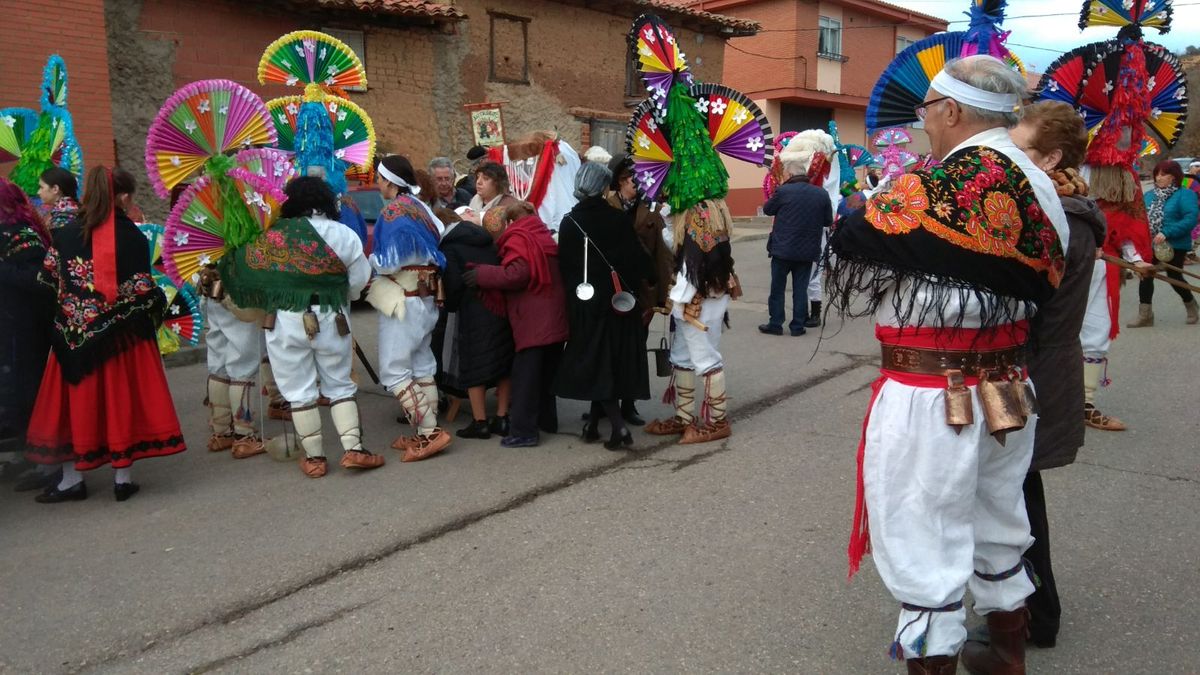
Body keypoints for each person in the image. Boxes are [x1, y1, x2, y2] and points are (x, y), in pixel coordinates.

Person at [828, 55, 1068, 674]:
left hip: (930, 392)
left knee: (921, 535)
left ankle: (938, 658)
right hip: (1011, 387)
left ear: (953, 111)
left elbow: (852, 245)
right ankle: (1007, 658)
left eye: (928, 110)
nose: (924, 122)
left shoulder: (927, 186)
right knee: (1000, 517)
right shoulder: (1041, 182)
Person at [1006, 99, 1106, 649]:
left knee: (1018, 505)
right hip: (1038, 366)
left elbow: (1027, 304)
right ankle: (1027, 613)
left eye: (1021, 150)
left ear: (1052, 158)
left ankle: (1033, 617)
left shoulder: (1060, 218)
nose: (1010, 158)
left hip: (1036, 372)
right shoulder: (1057, 209)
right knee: (1019, 497)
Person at [25, 167, 186, 502]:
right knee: (119, 400)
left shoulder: (67, 233)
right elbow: (143, 290)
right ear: (124, 197)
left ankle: (71, 480)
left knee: (72, 405)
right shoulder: (134, 237)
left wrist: (75, 308)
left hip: (73, 336)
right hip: (120, 339)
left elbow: (46, 280)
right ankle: (122, 479)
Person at [223, 177, 378, 478]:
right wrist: (344, 294)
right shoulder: (343, 233)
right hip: (332, 317)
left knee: (298, 389)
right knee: (339, 384)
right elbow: (359, 280)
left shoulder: (270, 236)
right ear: (324, 201)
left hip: (284, 320)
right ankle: (354, 448)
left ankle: (315, 457)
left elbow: (251, 273)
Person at [556, 162, 653, 450]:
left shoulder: (569, 223)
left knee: (596, 362)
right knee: (609, 362)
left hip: (586, 305)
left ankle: (612, 427)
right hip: (619, 302)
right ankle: (601, 425)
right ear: (602, 187)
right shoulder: (618, 218)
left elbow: (566, 268)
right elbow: (638, 261)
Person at [366, 154, 452, 461]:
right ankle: (425, 430)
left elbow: (389, 261)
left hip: (404, 299)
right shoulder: (420, 207)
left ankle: (429, 433)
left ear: (390, 181)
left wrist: (371, 263)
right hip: (427, 297)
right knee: (421, 364)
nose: (377, 183)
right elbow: (440, 233)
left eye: (379, 178)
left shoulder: (393, 213)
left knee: (394, 369)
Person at [470, 202, 568, 447]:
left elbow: (517, 274)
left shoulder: (518, 238)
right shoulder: (542, 233)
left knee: (526, 378)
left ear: (508, 223)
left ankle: (524, 432)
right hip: (555, 315)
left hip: (533, 318)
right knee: (547, 374)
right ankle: (548, 421)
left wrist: (482, 274)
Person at [438, 206, 515, 439]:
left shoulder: (450, 247)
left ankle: (479, 422)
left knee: (473, 364)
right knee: (503, 362)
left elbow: (453, 285)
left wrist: (448, 305)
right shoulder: (485, 239)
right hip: (500, 304)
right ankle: (502, 418)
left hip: (473, 308)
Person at [605, 154, 671, 425]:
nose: (639, 183)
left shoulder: (652, 211)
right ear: (621, 181)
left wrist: (663, 294)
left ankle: (629, 404)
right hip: (611, 289)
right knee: (609, 350)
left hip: (642, 291)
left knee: (635, 350)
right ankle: (604, 404)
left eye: (642, 178)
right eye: (634, 178)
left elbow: (661, 256)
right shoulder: (606, 206)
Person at [0, 179, 56, 489]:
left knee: (30, 393)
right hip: (12, 328)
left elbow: (37, 280)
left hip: (27, 330)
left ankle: (47, 463)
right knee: (18, 395)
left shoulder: (24, 237)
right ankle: (29, 455)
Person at [759, 131, 834, 336]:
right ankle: (797, 326)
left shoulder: (783, 192)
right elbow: (828, 221)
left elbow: (767, 210)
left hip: (782, 249)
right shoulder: (821, 194)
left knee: (778, 288)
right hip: (807, 250)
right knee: (800, 289)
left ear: (790, 175)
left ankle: (776, 324)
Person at [1135, 161, 1198, 325]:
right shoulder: (1150, 195)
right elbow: (1139, 217)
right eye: (1157, 173)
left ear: (1174, 176)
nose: (1158, 177)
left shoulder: (1185, 195)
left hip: (1175, 244)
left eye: (1163, 174)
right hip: (1150, 244)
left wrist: (1167, 232)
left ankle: (1191, 305)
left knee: (1174, 276)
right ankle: (1145, 315)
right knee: (1145, 274)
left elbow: (1191, 218)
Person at [465, 161, 517, 238]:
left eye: (485, 178)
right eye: (478, 177)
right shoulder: (475, 199)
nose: (478, 182)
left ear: (497, 183)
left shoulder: (509, 205)